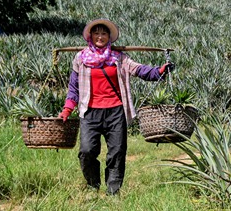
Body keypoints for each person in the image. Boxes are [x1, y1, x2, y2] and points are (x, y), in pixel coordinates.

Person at [59, 18, 173, 195]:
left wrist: (159, 71)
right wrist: (67, 109)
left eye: (104, 33)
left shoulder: (119, 58)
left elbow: (140, 70)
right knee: (87, 151)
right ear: (90, 36)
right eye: (96, 33)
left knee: (117, 151)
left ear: (109, 37)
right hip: (89, 111)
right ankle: (93, 185)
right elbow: (74, 87)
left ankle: (113, 190)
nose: (100, 36)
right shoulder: (80, 58)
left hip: (115, 111)